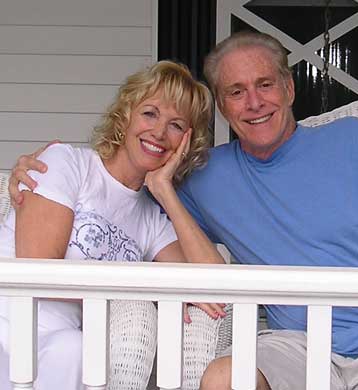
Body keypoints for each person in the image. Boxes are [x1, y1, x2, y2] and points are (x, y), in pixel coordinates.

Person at [8, 30, 358, 390]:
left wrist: (163, 191)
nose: (254, 103)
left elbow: (211, 287)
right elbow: (212, 286)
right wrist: (164, 189)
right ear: (224, 110)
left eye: (265, 85)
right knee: (224, 378)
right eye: (236, 92)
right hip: (298, 346)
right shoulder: (202, 180)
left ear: (290, 88)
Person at [0, 60, 226, 390]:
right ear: (126, 115)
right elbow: (41, 271)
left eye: (176, 125)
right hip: (8, 330)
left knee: (75, 352)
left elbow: (219, 285)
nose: (159, 132)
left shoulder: (152, 219)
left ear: (187, 143)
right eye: (150, 113)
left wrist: (165, 191)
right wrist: (145, 286)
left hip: (59, 351)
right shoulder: (67, 164)